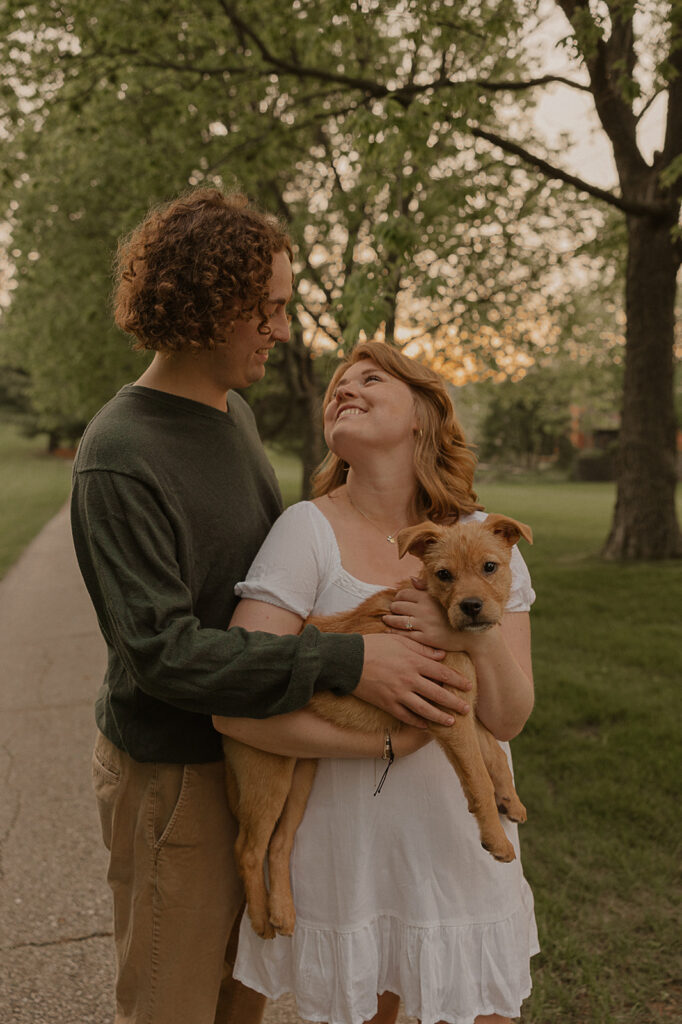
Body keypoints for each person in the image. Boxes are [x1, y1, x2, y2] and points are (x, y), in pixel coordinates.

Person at [70, 189, 472, 1024]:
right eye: (269, 309)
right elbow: (164, 653)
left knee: (240, 1005)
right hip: (175, 773)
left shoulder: (234, 416)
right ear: (209, 302)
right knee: (171, 1005)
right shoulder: (119, 454)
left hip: (258, 751)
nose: (283, 330)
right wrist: (351, 660)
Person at [213, 340, 539, 1024]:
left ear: (422, 413)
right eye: (336, 385)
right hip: (351, 851)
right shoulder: (309, 529)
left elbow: (507, 718)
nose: (344, 390)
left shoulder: (485, 544)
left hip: (457, 843)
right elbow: (234, 689)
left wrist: (459, 634)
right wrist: (383, 734)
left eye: (368, 379)